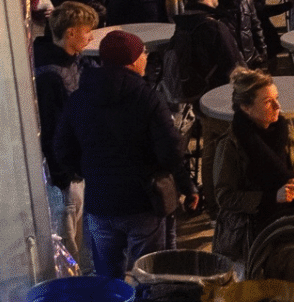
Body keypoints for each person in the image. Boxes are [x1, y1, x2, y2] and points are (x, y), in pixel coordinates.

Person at [54, 30, 193, 280]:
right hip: (143, 201)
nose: (147, 58)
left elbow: (62, 148)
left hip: (100, 201)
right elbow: (170, 150)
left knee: (108, 280)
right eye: (144, 53)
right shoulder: (147, 97)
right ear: (133, 60)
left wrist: (89, 171)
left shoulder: (79, 97)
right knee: (148, 277)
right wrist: (186, 185)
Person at [212, 67, 294, 265]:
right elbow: (224, 196)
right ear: (246, 107)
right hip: (250, 237)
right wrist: (270, 198)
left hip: (291, 226)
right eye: (268, 101)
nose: (278, 106)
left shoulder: (289, 134)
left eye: (277, 98)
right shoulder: (231, 145)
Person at [170, 0, 244, 103]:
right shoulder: (214, 27)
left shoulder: (182, 24)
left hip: (191, 96)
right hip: (218, 98)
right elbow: (234, 67)